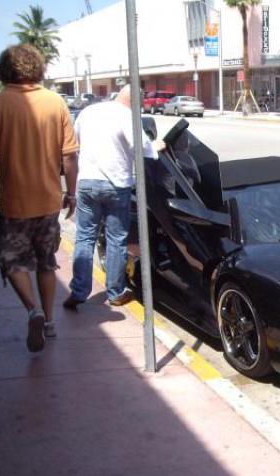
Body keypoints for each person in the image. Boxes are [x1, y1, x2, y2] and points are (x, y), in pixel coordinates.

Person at [0, 44, 78, 353]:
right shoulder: (55, 103)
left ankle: (34, 310)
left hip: (14, 205)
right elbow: (69, 158)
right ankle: (49, 323)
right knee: (47, 264)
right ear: (37, 68)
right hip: (48, 203)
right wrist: (70, 193)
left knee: (12, 262)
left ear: (5, 70)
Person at [63, 85, 163, 310]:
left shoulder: (88, 112)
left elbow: (73, 145)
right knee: (116, 239)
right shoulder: (126, 116)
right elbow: (142, 148)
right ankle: (116, 292)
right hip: (115, 185)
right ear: (135, 100)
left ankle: (79, 291)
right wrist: (156, 146)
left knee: (85, 237)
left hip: (86, 182)